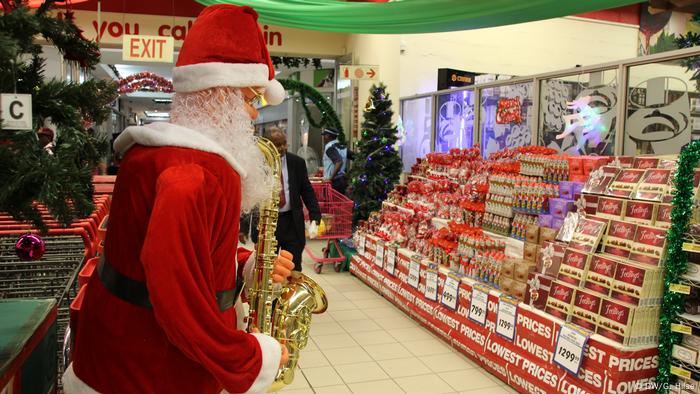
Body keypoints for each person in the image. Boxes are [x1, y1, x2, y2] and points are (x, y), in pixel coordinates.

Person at [63, 5, 295, 394]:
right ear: (222, 95)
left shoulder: (156, 156)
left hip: (121, 358)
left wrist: (246, 263)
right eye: (252, 97)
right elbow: (176, 297)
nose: (254, 113)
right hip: (154, 372)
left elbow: (162, 252)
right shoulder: (195, 172)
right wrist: (250, 358)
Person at [321, 127, 348, 194]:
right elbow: (354, 156)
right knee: (339, 204)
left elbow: (339, 162)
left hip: (333, 182)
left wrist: (330, 178)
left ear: (328, 136)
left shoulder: (329, 147)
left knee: (330, 203)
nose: (324, 137)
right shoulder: (342, 146)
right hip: (342, 180)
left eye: (324, 135)